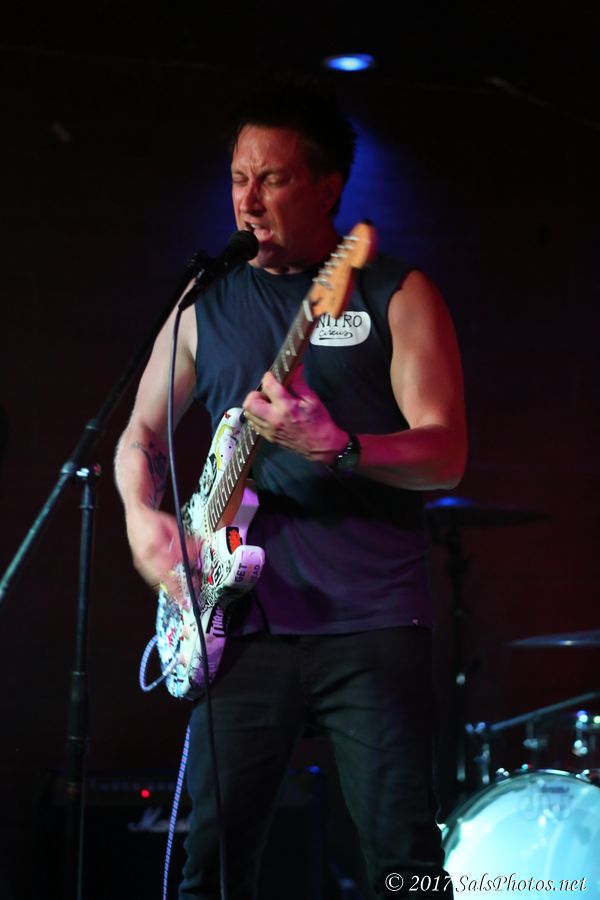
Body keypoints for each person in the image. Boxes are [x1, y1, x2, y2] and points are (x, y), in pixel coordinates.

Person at [114, 80, 467, 899]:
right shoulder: (205, 300)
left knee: (405, 864)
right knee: (209, 869)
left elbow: (446, 455)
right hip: (240, 629)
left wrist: (340, 447)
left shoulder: (396, 293)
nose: (248, 200)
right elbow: (140, 438)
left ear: (328, 188)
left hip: (371, 623)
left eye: (271, 179)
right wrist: (141, 520)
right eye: (238, 178)